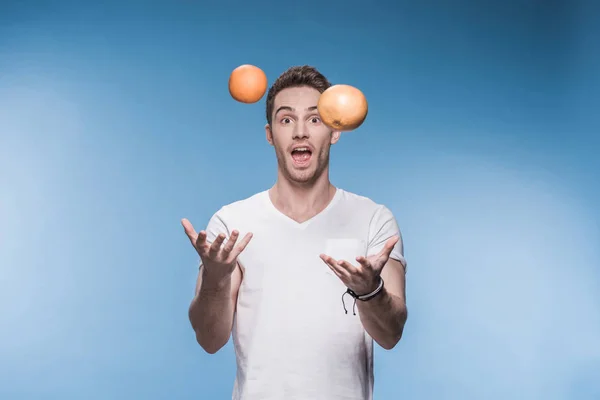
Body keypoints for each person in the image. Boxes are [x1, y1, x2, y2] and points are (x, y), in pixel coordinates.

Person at [181, 65, 408, 400]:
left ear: (335, 130)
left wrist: (370, 291)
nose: (300, 132)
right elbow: (209, 340)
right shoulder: (232, 224)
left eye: (315, 119)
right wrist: (215, 278)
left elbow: (391, 334)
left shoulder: (374, 219)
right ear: (270, 134)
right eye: (286, 119)